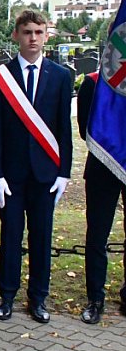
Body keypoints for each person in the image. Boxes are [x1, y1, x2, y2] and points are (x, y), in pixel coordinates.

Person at [0, 10, 72, 323]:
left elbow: (63, 129)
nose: (33, 38)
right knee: (10, 236)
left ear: (46, 35)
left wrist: (64, 173)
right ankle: (7, 296)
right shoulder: (0, 78)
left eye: (38, 32)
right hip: (11, 175)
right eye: (27, 32)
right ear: (16, 35)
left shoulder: (61, 77)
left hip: (46, 174)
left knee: (42, 237)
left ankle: (38, 298)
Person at [76, 72, 126, 324]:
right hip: (102, 168)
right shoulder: (93, 83)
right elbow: (86, 130)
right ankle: (95, 299)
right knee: (97, 236)